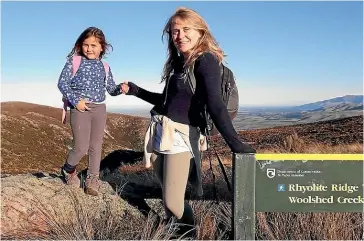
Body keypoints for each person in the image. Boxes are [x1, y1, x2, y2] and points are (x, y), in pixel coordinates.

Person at [121, 7, 256, 235]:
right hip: (162, 132)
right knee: (168, 198)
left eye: (186, 29)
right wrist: (136, 91)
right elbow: (166, 101)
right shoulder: (177, 64)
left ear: (200, 32)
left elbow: (215, 104)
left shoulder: (206, 61)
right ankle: (176, 231)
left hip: (182, 136)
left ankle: (189, 235)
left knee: (173, 201)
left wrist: (236, 143)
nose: (180, 35)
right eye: (175, 31)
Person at [57, 27, 123, 196]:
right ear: (80, 45)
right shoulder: (74, 62)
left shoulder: (105, 66)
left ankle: (93, 179)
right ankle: (68, 169)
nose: (89, 48)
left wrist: (121, 89)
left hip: (100, 108)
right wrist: (75, 101)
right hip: (80, 108)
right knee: (81, 147)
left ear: (102, 47)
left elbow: (111, 89)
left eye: (94, 45)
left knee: (96, 146)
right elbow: (62, 84)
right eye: (86, 45)